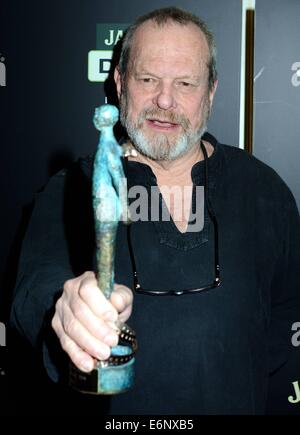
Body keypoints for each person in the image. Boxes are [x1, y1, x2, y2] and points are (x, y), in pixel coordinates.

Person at [10, 6, 300, 415]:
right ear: (120, 82)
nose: (165, 100)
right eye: (148, 79)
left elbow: (287, 322)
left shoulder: (263, 189)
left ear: (211, 93)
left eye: (185, 83)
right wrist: (66, 308)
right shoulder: (71, 189)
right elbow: (35, 292)